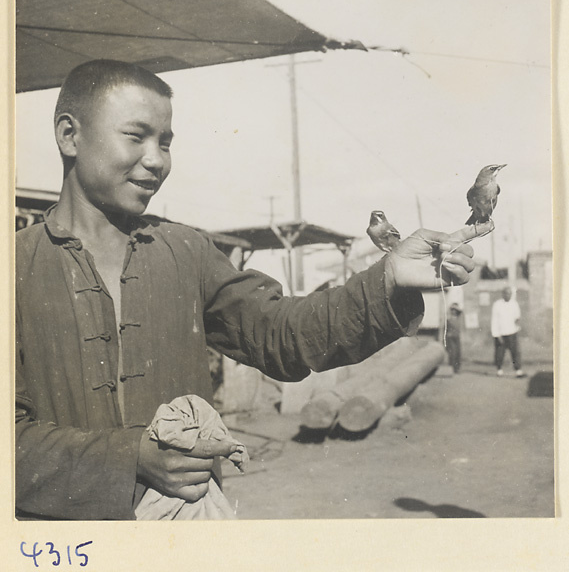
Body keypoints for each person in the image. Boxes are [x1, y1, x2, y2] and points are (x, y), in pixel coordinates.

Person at [15, 59, 487, 521]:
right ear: (68, 134)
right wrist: (128, 457)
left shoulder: (186, 252)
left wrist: (388, 279)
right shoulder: (15, 266)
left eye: (166, 142)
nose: (156, 159)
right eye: (136, 136)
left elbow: (285, 335)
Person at [491, 286, 524, 377]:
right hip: (501, 333)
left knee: (515, 352)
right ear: (503, 294)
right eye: (506, 293)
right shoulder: (497, 304)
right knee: (500, 352)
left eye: (510, 293)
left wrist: (517, 322)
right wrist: (496, 334)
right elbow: (494, 320)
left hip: (512, 332)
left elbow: (517, 316)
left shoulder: (514, 304)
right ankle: (499, 369)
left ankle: (518, 370)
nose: (508, 295)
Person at [445, 303, 462, 374]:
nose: (454, 311)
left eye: (455, 310)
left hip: (457, 337)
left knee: (458, 352)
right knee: (453, 352)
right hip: (450, 337)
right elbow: (445, 329)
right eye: (453, 310)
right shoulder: (448, 319)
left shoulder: (458, 319)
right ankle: (451, 368)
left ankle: (457, 368)